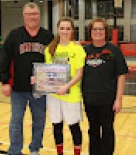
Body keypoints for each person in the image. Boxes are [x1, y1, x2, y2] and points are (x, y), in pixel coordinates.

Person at [0, 2, 54, 155]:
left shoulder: (48, 36)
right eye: (29, 14)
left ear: (39, 16)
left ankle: (35, 148)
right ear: (24, 16)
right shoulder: (14, 35)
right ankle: (15, 150)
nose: (32, 17)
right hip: (17, 88)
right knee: (16, 121)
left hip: (40, 89)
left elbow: (56, 61)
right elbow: (4, 59)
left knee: (39, 121)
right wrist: (4, 81)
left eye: (35, 14)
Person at [81, 18, 128, 155]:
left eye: (101, 29)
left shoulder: (114, 50)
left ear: (105, 31)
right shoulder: (84, 51)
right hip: (89, 100)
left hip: (108, 100)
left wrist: (118, 99)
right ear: (90, 32)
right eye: (95, 29)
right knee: (93, 131)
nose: (98, 32)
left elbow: (121, 76)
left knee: (107, 131)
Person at [45, 17, 86, 155]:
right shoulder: (49, 49)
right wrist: (38, 79)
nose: (64, 31)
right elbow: (47, 72)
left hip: (71, 95)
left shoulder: (77, 49)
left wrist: (66, 87)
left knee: (74, 127)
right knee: (56, 126)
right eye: (62, 28)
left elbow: (79, 74)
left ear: (72, 30)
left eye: (68, 28)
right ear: (57, 30)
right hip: (53, 95)